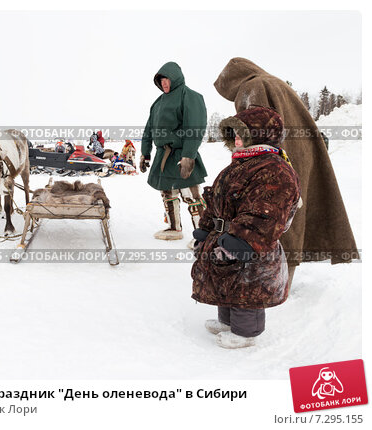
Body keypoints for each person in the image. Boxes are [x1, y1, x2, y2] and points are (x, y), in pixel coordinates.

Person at [214, 58, 358, 285]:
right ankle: (284, 280)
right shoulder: (276, 82)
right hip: (297, 155)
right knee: (292, 217)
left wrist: (248, 164)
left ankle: (276, 285)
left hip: (273, 160)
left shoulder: (252, 87)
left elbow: (254, 127)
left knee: (272, 218)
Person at [191, 106, 301, 349]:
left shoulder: (274, 168)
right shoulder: (239, 164)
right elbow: (215, 199)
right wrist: (206, 230)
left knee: (246, 284)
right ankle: (228, 322)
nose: (236, 138)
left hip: (249, 243)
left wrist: (242, 241)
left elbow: (266, 210)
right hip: (224, 236)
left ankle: (245, 332)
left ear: (260, 134)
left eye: (243, 132)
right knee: (225, 278)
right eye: (233, 133)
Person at [141, 61, 208, 241]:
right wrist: (145, 153)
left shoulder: (190, 96)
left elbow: (195, 128)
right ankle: (174, 227)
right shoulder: (158, 103)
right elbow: (149, 130)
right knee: (167, 193)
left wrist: (188, 155)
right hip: (163, 155)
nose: (164, 83)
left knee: (190, 195)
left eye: (167, 79)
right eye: (161, 80)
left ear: (175, 78)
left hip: (181, 153)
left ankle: (203, 234)